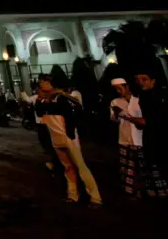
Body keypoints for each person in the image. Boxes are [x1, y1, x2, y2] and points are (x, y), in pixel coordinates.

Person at [35, 73, 102, 206]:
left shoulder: (60, 98)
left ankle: (95, 197)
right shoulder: (44, 100)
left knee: (80, 167)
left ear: (50, 83)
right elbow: (39, 113)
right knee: (68, 168)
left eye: (43, 81)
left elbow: (69, 115)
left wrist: (70, 135)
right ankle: (72, 195)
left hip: (67, 136)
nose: (41, 84)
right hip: (56, 138)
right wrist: (40, 100)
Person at [110, 77, 149, 197]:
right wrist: (116, 114)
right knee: (128, 168)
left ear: (126, 86)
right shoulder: (115, 102)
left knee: (143, 167)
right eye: (115, 89)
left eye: (119, 88)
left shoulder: (138, 100)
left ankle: (146, 190)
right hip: (124, 138)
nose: (118, 91)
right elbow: (113, 119)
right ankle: (131, 191)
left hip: (139, 138)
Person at [132, 67, 168, 197]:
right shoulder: (142, 97)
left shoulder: (161, 96)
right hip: (152, 138)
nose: (141, 82)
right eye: (138, 80)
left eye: (145, 79)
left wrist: (148, 121)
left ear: (153, 81)